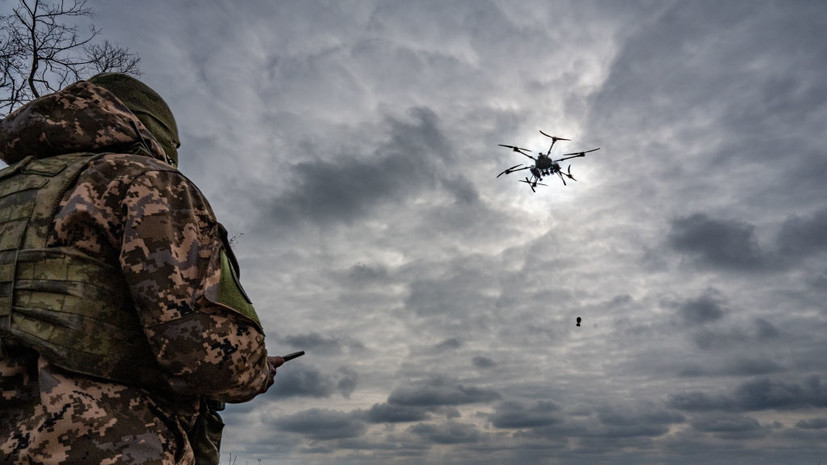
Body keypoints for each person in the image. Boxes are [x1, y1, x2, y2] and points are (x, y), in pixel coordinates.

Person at [0, 73, 283, 464]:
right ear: (153, 131)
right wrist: (258, 370)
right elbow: (203, 356)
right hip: (103, 444)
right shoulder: (146, 180)